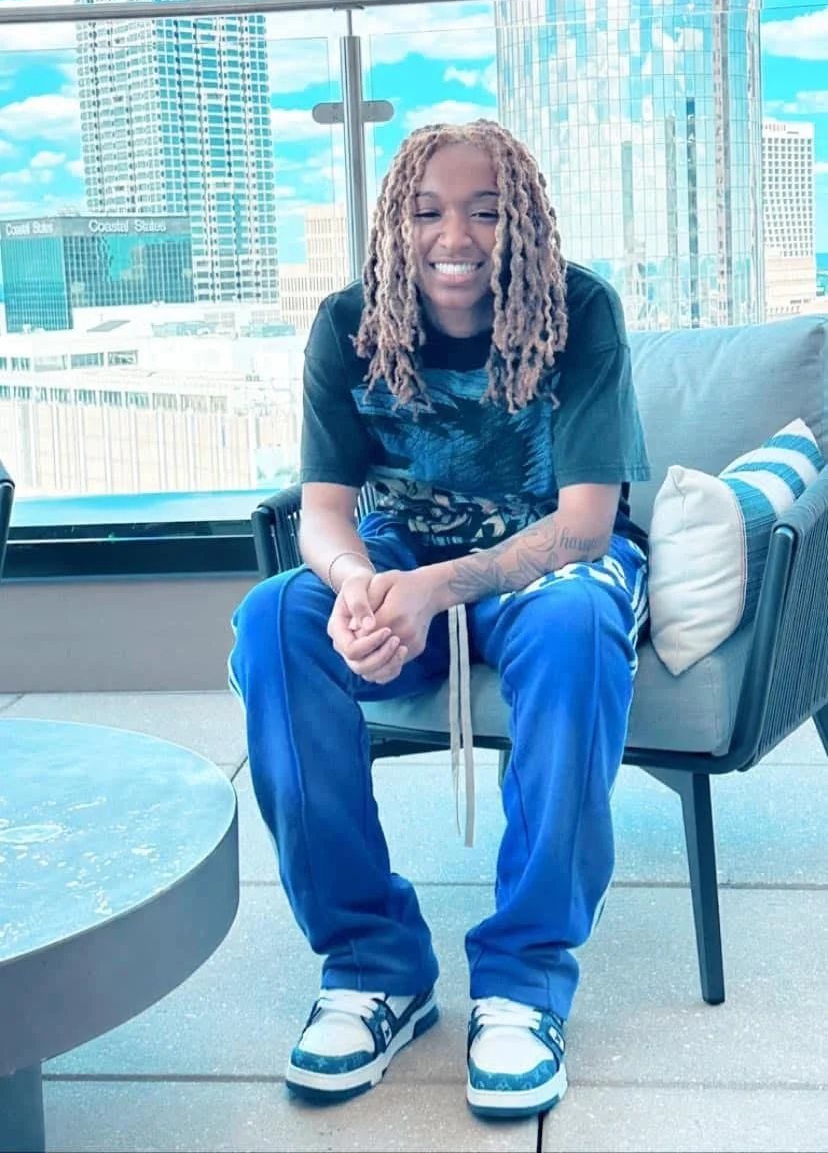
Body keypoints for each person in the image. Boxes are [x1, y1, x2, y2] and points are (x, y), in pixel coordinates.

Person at [229, 119, 651, 1119]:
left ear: (524, 223)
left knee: (575, 626)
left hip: (547, 568)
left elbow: (585, 525)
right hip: (402, 558)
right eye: (427, 211)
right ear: (395, 222)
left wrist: (437, 588)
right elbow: (323, 514)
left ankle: (525, 979)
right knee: (275, 617)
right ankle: (372, 965)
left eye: (485, 211)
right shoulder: (347, 324)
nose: (453, 235)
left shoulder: (581, 312)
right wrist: (357, 586)